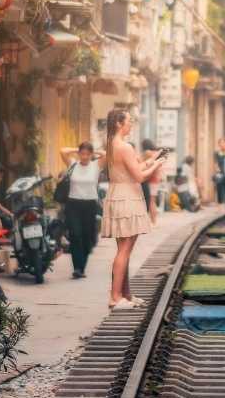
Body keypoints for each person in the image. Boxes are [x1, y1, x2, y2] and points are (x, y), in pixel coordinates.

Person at [102, 110, 166, 309]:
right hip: (128, 198)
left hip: (117, 195)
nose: (132, 124)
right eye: (129, 121)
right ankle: (115, 297)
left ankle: (125, 294)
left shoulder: (111, 144)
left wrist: (154, 159)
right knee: (124, 250)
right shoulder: (125, 147)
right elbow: (139, 176)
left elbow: (133, 167)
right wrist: (157, 165)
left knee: (124, 250)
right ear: (120, 123)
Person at [59, 142, 101, 279]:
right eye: (82, 153)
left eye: (87, 154)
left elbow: (107, 155)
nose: (84, 157)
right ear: (79, 154)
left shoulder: (96, 166)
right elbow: (63, 150)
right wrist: (75, 149)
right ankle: (77, 268)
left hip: (90, 205)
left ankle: (82, 267)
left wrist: (95, 152)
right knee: (75, 235)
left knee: (87, 237)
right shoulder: (73, 164)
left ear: (91, 154)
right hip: (73, 204)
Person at [140, 139, 161, 225]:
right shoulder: (155, 153)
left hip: (150, 178)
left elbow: (143, 163)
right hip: (155, 179)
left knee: (151, 201)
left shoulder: (148, 153)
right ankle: (153, 221)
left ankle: (153, 222)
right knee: (153, 201)